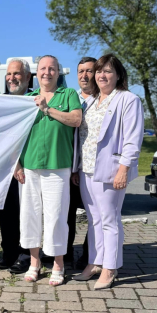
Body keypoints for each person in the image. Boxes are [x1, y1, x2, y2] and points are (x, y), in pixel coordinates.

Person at [72, 54, 144, 289]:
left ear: (118, 75)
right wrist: (76, 167)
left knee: (110, 220)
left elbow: (133, 140)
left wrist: (124, 169)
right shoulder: (91, 101)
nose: (102, 75)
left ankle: (110, 268)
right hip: (87, 169)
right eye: (99, 71)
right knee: (94, 220)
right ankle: (94, 262)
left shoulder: (128, 100)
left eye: (108, 71)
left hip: (111, 170)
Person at [14, 55, 82, 285]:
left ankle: (58, 263)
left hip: (58, 165)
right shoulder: (27, 98)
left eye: (52, 69)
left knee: (56, 216)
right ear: (36, 73)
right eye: (43, 68)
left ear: (58, 73)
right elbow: (16, 134)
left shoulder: (69, 95)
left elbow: (76, 120)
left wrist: (47, 109)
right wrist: (17, 164)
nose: (47, 72)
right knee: (30, 215)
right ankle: (35, 262)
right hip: (30, 166)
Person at [0, 59, 32, 272]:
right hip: (6, 167)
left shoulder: (35, 100)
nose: (12, 78)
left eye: (17, 74)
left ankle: (25, 254)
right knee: (6, 212)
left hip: (30, 166)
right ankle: (8, 251)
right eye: (9, 74)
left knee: (26, 212)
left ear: (27, 77)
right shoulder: (2, 101)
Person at [67, 57, 96, 268]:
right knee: (66, 213)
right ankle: (65, 252)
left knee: (94, 213)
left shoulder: (103, 100)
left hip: (93, 168)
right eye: (80, 71)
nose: (84, 76)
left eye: (88, 71)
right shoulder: (70, 98)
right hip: (70, 167)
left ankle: (88, 255)